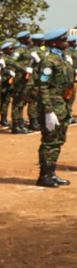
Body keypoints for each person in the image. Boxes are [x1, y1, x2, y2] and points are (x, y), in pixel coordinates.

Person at [36, 29, 74, 187]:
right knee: (49, 141)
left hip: (63, 105)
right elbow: (43, 86)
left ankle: (51, 173)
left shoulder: (63, 59)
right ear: (54, 43)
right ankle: (44, 175)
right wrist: (48, 111)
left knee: (58, 140)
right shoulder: (48, 61)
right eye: (63, 40)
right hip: (52, 105)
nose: (66, 42)